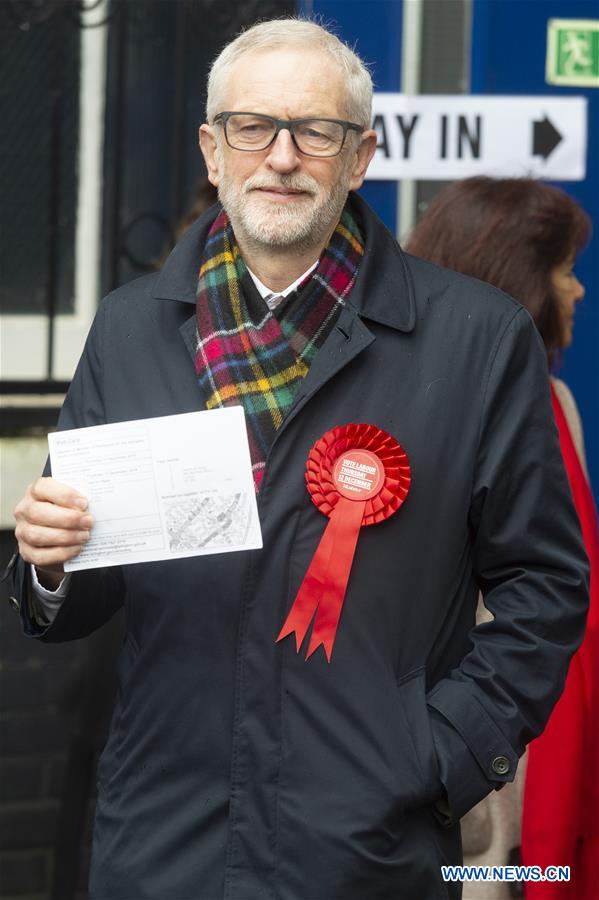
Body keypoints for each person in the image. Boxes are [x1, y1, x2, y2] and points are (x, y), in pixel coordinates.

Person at [9, 21, 589, 900]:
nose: (280, 156)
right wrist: (48, 562)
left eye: (314, 132)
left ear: (358, 158)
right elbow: (85, 586)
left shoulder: (475, 337)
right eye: (251, 127)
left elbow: (544, 586)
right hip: (163, 839)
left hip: (372, 846)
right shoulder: (131, 326)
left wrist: (441, 752)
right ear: (212, 149)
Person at [407, 176, 597, 899]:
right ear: (519, 277)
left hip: (550, 753)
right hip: (472, 777)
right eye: (563, 270)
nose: (577, 290)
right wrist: (454, 748)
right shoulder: (427, 408)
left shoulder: (559, 404)